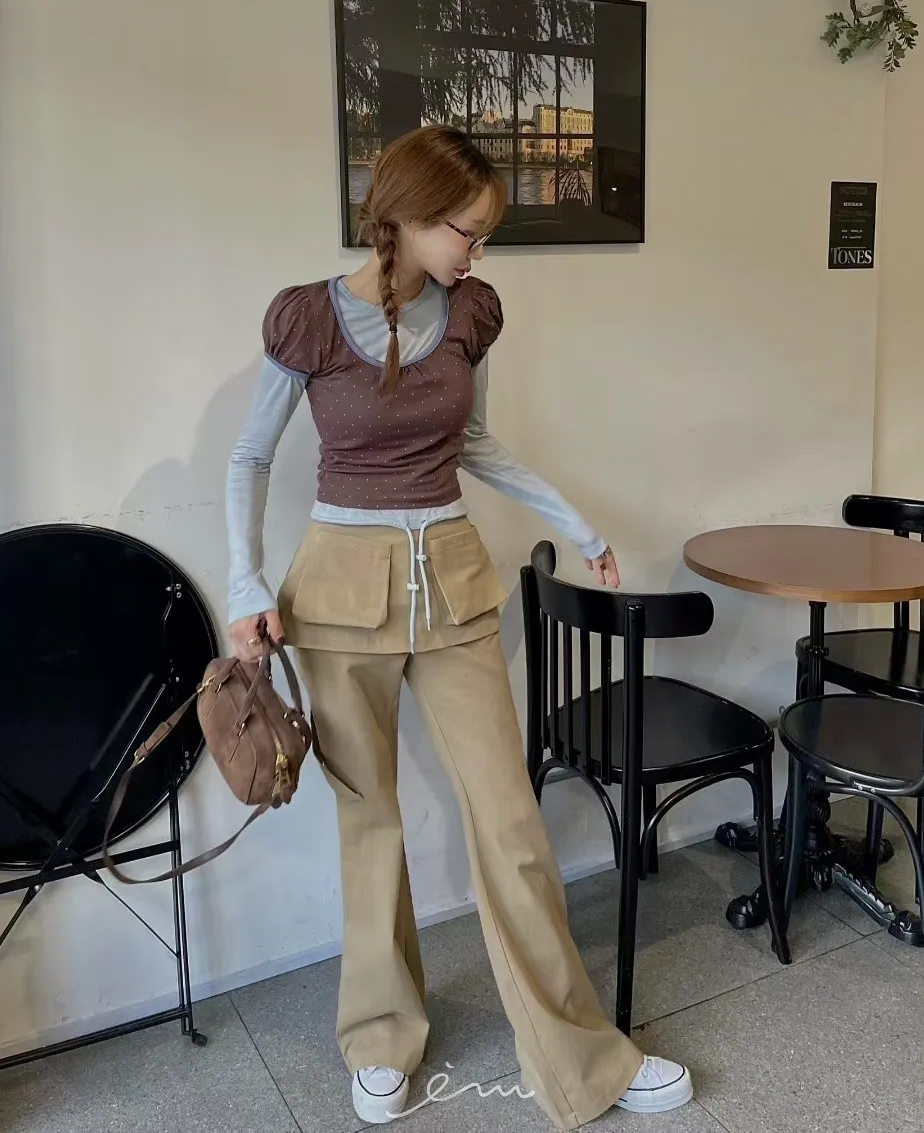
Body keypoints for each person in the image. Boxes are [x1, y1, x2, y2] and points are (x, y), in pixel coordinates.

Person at [224, 126, 692, 1128]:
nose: (476, 251)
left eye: (484, 235)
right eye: (464, 231)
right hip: (338, 598)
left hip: (454, 587)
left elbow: (474, 442)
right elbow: (249, 458)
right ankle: (380, 1037)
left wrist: (582, 524)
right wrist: (242, 583)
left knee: (511, 823)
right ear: (402, 216)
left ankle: (583, 1060)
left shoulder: (470, 315)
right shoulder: (310, 319)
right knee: (370, 825)